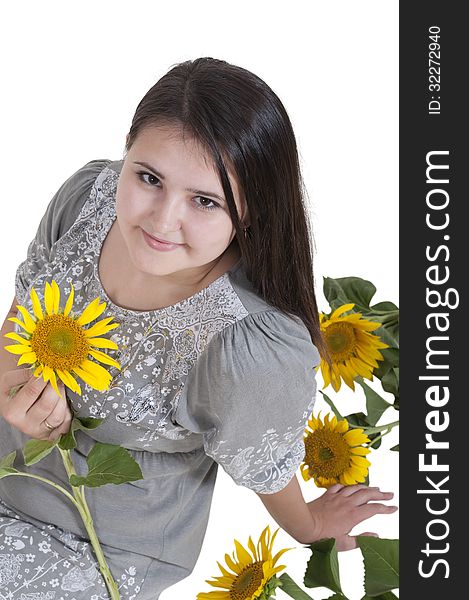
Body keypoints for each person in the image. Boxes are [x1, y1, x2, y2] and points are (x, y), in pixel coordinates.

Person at [0, 57, 397, 599]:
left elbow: (265, 461)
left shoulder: (246, 346)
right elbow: (22, 318)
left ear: (252, 211)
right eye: (148, 178)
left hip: (93, 543)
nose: (162, 222)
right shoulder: (85, 202)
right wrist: (9, 380)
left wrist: (306, 525)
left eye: (205, 201)